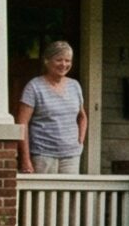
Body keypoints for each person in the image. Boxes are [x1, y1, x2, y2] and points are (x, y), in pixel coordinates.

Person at [14, 40, 86, 174]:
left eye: (68, 60)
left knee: (68, 194)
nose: (64, 64)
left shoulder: (74, 86)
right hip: (43, 155)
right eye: (59, 60)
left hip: (71, 156)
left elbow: (82, 116)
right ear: (47, 61)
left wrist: (80, 141)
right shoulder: (34, 86)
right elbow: (22, 123)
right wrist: (25, 159)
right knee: (44, 195)